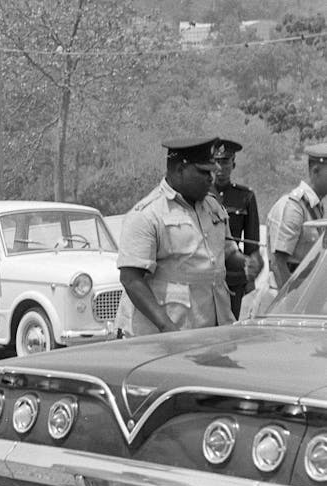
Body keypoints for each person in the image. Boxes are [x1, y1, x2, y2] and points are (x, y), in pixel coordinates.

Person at [115, 137, 260, 337]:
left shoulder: (213, 208)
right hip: (162, 337)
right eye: (204, 172)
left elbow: (225, 251)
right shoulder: (148, 215)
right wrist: (167, 327)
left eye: (212, 170)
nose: (212, 177)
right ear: (179, 170)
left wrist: (245, 262)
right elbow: (131, 279)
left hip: (211, 331)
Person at [211, 139, 261, 318]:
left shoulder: (245, 196)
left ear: (233, 164)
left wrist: (250, 280)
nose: (220, 168)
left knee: (231, 330)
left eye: (225, 162)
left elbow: (252, 246)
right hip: (207, 276)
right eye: (216, 162)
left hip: (234, 278)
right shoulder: (200, 194)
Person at [266, 142, 327, 289]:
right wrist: (290, 302)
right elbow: (278, 263)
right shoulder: (293, 208)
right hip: (287, 300)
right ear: (315, 171)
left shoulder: (316, 207)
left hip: (306, 295)